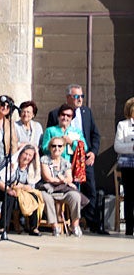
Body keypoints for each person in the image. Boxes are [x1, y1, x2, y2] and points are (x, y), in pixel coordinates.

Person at [46, 85, 104, 233]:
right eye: (76, 96)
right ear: (68, 98)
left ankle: (92, 225)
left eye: (81, 96)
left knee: (90, 190)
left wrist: (93, 152)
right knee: (66, 189)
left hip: (83, 159)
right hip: (62, 161)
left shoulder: (87, 113)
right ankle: (64, 222)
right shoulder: (54, 114)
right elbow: (49, 140)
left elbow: (95, 135)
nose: (80, 99)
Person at [39, 138, 84, 236]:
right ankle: (55, 226)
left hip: (62, 190)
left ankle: (75, 225)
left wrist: (64, 180)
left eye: (59, 146)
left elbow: (70, 178)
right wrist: (63, 180)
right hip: (48, 189)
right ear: (50, 148)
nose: (56, 148)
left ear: (63, 148)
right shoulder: (44, 160)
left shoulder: (66, 162)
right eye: (53, 146)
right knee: (46, 198)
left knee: (75, 196)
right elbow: (48, 178)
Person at [113, 97, 134, 236]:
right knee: (130, 196)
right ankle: (129, 228)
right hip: (129, 165)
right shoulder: (123, 125)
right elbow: (118, 146)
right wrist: (132, 147)